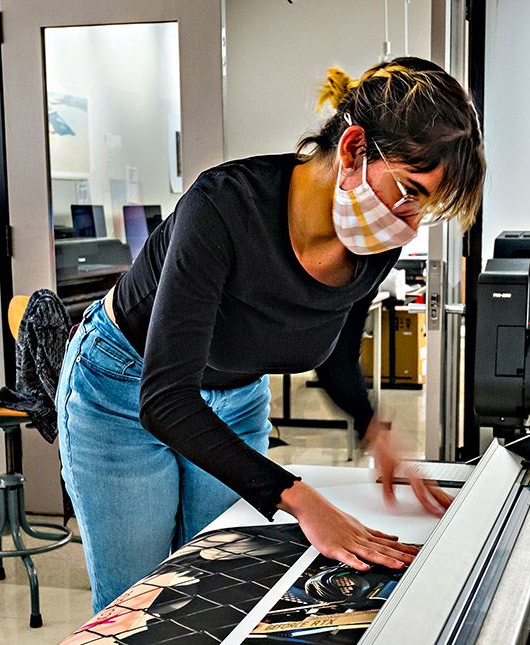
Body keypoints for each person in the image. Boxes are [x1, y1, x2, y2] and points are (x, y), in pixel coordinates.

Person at [56, 56, 486, 613]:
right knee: (138, 608)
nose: (409, 222)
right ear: (354, 150)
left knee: (218, 591)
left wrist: (378, 435)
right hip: (123, 388)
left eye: (425, 206)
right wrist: (302, 500)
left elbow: (333, 358)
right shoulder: (223, 205)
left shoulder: (376, 241)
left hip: (233, 395)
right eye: (409, 189)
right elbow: (165, 401)